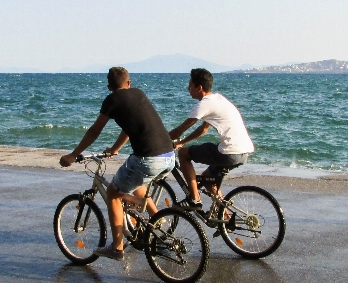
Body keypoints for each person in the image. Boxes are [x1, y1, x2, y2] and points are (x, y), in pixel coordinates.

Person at [60, 66, 175, 261]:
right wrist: (115, 148)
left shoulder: (111, 100)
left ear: (108, 87)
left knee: (113, 193)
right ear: (128, 83)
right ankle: (157, 220)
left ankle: (117, 247)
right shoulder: (138, 93)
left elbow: (94, 131)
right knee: (138, 184)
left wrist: (73, 155)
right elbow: (130, 127)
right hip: (169, 156)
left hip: (148, 159)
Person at [169, 68, 254, 214]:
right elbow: (203, 129)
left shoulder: (204, 104)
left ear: (199, 88)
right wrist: (182, 141)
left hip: (229, 152)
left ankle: (194, 199)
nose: (188, 89)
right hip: (243, 151)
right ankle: (224, 216)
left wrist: (160, 139)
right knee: (209, 179)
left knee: (183, 154)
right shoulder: (218, 99)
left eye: (190, 85)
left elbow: (181, 129)